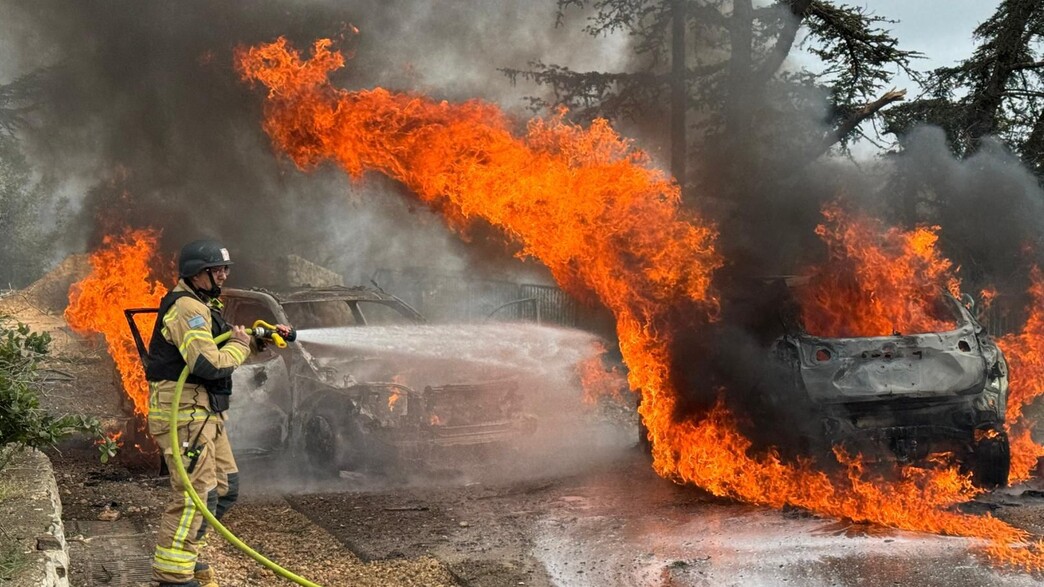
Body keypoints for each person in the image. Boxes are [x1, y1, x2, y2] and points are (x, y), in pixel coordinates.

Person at [145, 239, 290, 587]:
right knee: (195, 496)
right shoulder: (187, 310)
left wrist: (259, 339)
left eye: (226, 268)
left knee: (224, 489)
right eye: (218, 270)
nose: (224, 275)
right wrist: (241, 344)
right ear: (198, 273)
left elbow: (222, 346)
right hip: (185, 415)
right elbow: (209, 363)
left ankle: (187, 553)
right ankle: (173, 575)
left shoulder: (203, 305)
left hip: (204, 414)